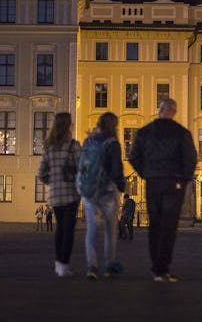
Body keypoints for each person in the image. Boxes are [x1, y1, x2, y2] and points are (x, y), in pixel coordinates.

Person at [129, 98, 197, 283]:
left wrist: (146, 173)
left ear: (159, 111)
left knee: (155, 225)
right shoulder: (181, 133)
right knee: (169, 226)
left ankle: (156, 267)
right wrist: (183, 178)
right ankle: (162, 268)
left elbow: (133, 156)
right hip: (173, 183)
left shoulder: (144, 132)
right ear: (173, 112)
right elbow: (190, 159)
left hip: (153, 182)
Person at [78, 112, 126, 280]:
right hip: (107, 192)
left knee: (91, 229)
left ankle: (92, 266)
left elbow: (82, 164)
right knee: (110, 230)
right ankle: (108, 266)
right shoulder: (113, 144)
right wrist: (121, 185)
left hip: (89, 192)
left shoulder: (88, 141)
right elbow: (116, 170)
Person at [37, 112, 82, 277]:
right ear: (68, 125)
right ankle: (64, 265)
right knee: (68, 230)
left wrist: (53, 181)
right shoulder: (73, 146)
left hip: (55, 195)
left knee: (60, 229)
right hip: (71, 193)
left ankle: (58, 264)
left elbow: (41, 174)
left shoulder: (49, 147)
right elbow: (82, 168)